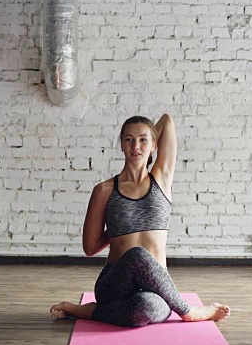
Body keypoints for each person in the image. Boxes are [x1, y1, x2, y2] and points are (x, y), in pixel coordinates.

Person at [50, 114, 230, 327]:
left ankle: (91, 311)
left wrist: (150, 133)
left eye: (143, 139)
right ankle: (190, 312)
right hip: (115, 283)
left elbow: (168, 121)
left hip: (156, 286)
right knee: (137, 255)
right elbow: (90, 248)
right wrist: (118, 228)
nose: (136, 145)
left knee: (143, 311)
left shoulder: (162, 178)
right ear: (122, 145)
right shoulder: (104, 190)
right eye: (129, 139)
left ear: (154, 144)